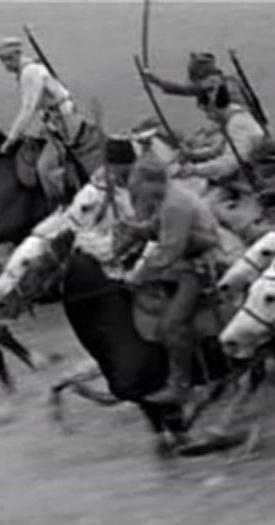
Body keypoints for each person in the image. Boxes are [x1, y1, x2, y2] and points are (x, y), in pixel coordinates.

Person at [121, 157, 224, 405]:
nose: (138, 193)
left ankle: (180, 385)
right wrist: (135, 229)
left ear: (151, 182)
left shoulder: (175, 204)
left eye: (139, 186)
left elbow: (170, 250)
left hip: (198, 265)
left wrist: (138, 276)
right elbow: (157, 228)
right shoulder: (169, 197)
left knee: (172, 323)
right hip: (185, 259)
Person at [0, 36, 104, 208]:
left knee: (45, 167)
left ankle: (61, 205)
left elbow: (29, 108)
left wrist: (12, 138)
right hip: (52, 123)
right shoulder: (28, 71)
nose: (5, 65)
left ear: (16, 55)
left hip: (64, 123)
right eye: (3, 61)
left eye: (7, 60)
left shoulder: (30, 73)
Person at [174, 84, 267, 189]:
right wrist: (191, 154)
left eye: (207, 111)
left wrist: (195, 170)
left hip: (256, 176)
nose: (208, 117)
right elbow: (217, 150)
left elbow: (231, 162)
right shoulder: (233, 119)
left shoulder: (236, 124)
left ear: (214, 107)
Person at [140, 52, 259, 117]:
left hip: (235, 118)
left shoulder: (210, 83)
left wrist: (153, 79)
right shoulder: (229, 78)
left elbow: (180, 88)